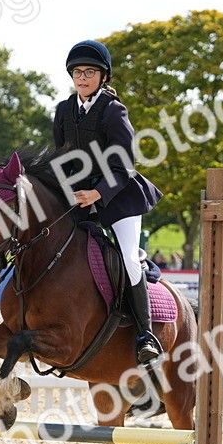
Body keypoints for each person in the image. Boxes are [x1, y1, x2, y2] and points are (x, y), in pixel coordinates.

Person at [52, 38, 164, 368]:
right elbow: (62, 158)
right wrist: (62, 192)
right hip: (80, 197)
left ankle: (145, 335)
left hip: (118, 197)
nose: (82, 78)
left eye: (89, 72)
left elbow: (124, 163)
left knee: (129, 258)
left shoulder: (114, 111)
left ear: (103, 77)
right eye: (77, 72)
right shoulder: (63, 111)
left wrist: (98, 193)